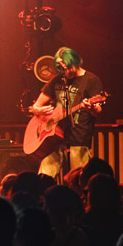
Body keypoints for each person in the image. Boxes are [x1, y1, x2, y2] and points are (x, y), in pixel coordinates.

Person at [29, 47, 103, 178]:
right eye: (61, 69)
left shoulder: (91, 80)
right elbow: (36, 106)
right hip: (55, 139)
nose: (65, 71)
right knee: (44, 176)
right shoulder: (57, 80)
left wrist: (90, 108)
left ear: (74, 61)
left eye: (67, 67)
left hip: (79, 139)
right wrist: (39, 110)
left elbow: (97, 110)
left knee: (78, 179)